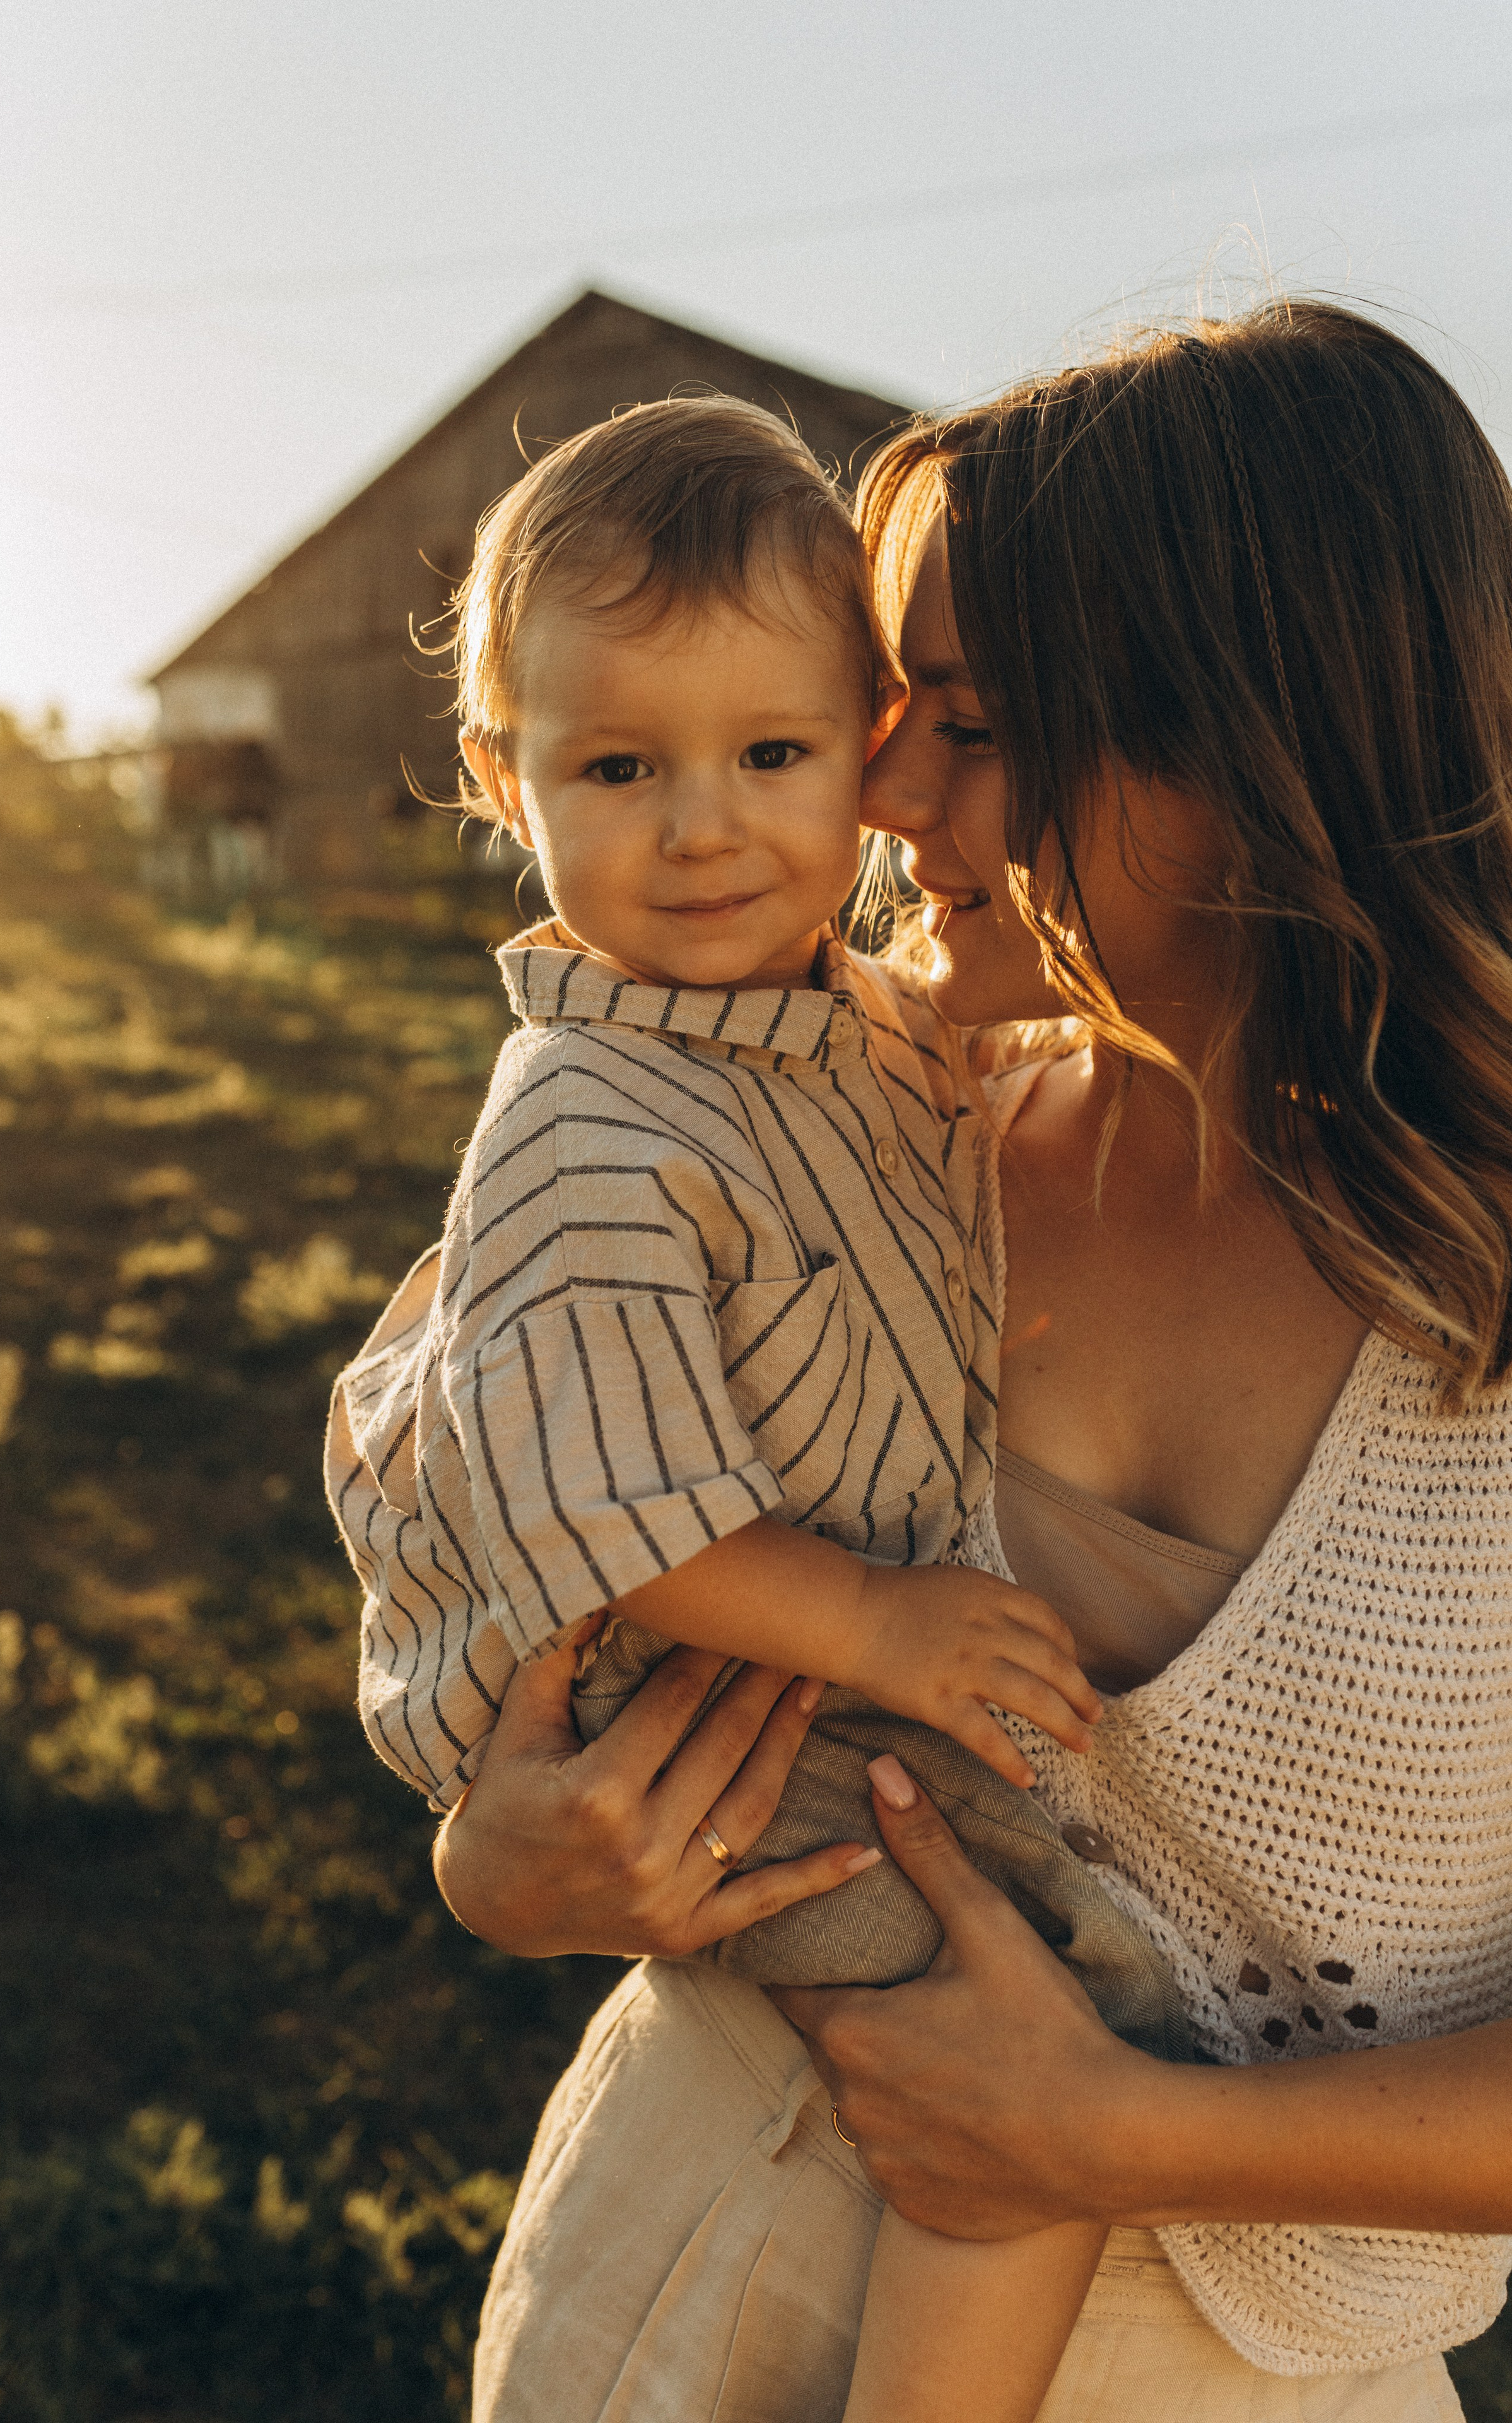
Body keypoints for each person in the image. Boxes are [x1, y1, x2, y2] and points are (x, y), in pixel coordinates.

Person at [426, 300, 1512, 2423]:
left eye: (981, 721)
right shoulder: (842, 1109)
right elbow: (481, 1499)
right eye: (889, 703)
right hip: (686, 2241)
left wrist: (1117, 2138)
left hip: (1223, 2369)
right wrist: (504, 1854)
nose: (884, 785)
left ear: (1266, 753)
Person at [328, 394, 1197, 2423]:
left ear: (864, 738)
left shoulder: (870, 1029)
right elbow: (606, 1514)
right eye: (618, 767)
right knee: (1024, 2060)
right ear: (500, 778)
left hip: (809, 1678)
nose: (705, 825)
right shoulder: (588, 1129)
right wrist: (886, 1627)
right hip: (709, 1710)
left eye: (774, 755)